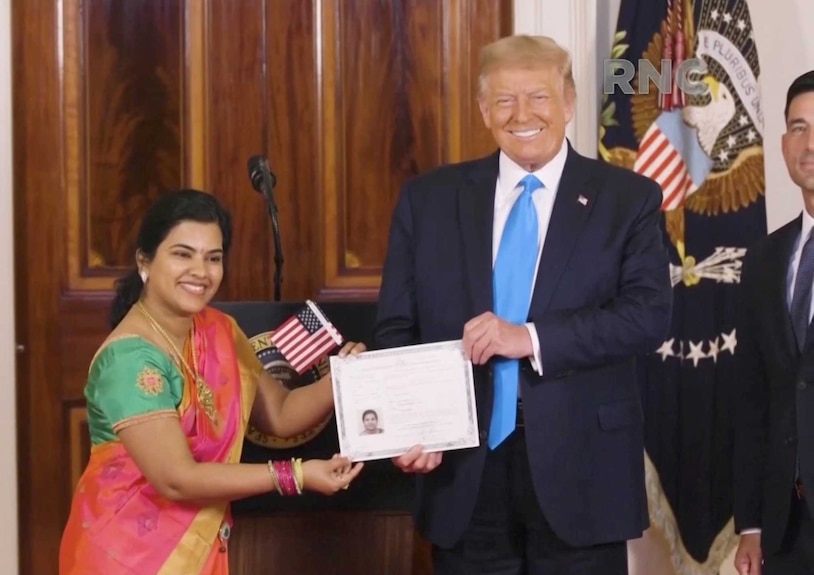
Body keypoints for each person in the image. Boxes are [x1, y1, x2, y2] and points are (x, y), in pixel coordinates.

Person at [373, 34, 672, 574]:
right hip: (462, 473)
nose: (522, 114)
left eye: (538, 96)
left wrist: (529, 337)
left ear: (569, 103)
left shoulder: (628, 198)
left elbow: (646, 316)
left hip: (583, 473)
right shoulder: (429, 200)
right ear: (485, 110)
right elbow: (397, 326)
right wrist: (408, 425)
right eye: (505, 100)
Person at [59, 189, 365, 574]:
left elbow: (281, 414)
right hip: (128, 555)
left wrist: (344, 379)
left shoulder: (221, 330)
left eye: (213, 258)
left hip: (198, 548)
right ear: (145, 261)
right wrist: (297, 475)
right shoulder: (129, 360)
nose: (201, 272)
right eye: (182, 254)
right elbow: (176, 480)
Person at [733, 70, 814, 575]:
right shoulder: (764, 259)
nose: (810, 143)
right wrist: (753, 524)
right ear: (783, 143)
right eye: (799, 127)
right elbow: (753, 399)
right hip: (785, 530)